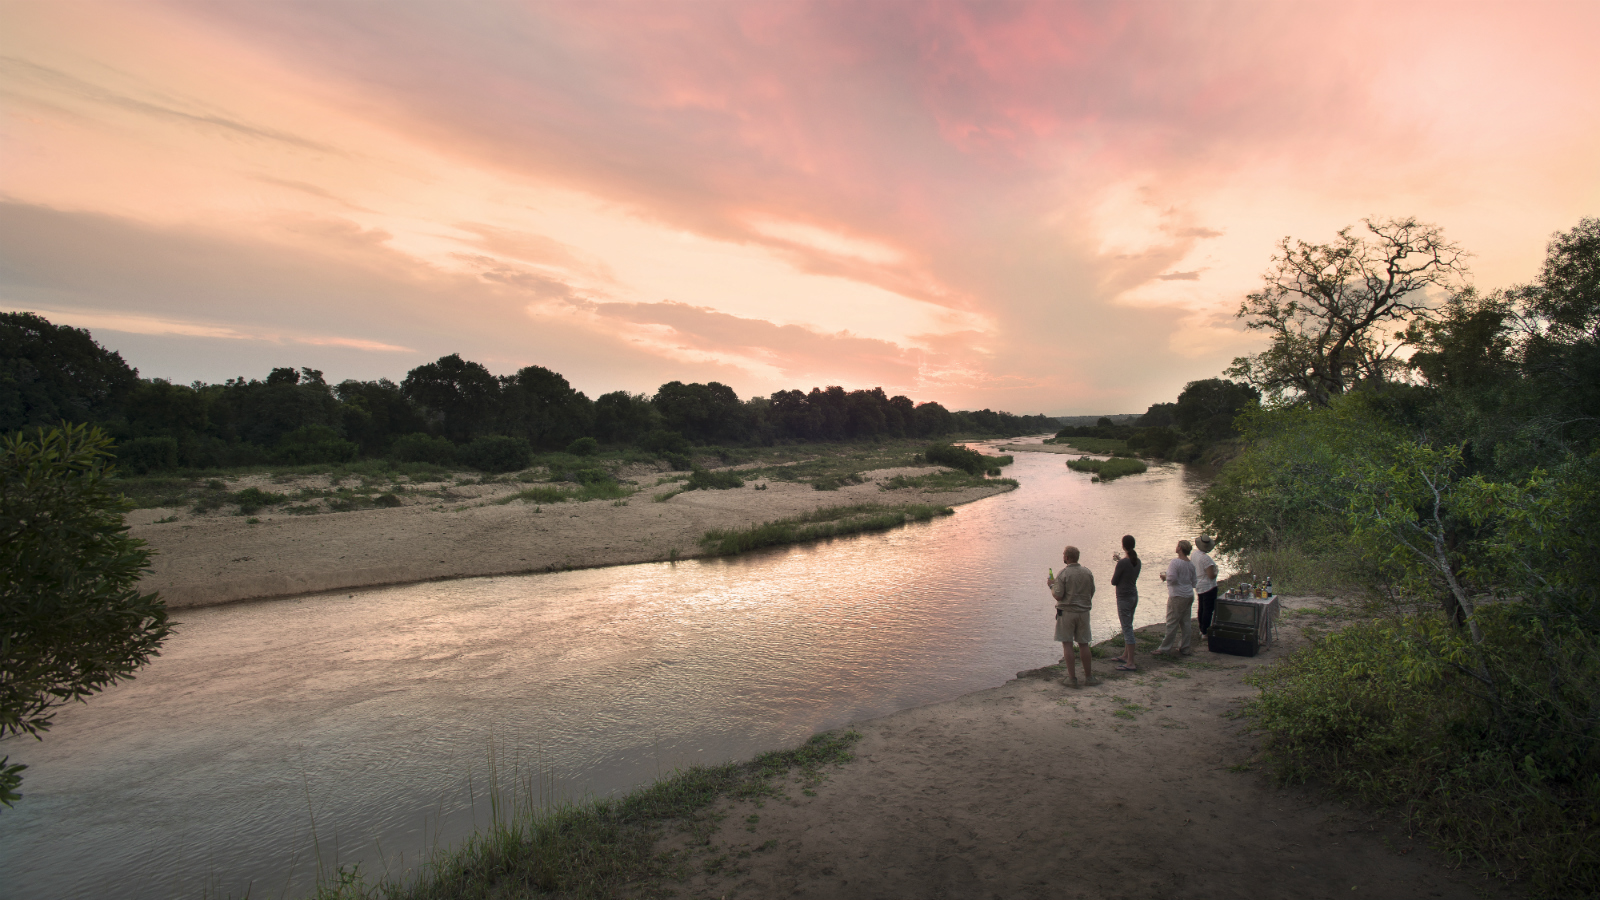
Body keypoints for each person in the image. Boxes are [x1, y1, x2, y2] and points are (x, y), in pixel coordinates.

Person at [1045, 545, 1096, 687]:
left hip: (1067, 614)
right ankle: (1089, 677)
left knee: (1067, 644)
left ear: (1067, 557)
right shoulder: (1087, 573)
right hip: (1084, 613)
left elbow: (1058, 595)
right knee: (1084, 644)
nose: (1063, 557)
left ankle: (1072, 678)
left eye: (1063, 555)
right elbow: (1092, 591)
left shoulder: (1063, 574)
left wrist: (1051, 585)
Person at [1154, 539, 1197, 656]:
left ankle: (1165, 648)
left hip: (1177, 596)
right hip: (1189, 595)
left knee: (1172, 622)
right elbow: (1194, 583)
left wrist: (1165, 577)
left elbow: (1172, 579)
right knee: (1186, 622)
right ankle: (1185, 647)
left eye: (1177, 545)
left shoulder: (1175, 563)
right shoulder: (1191, 564)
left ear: (1180, 548)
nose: (1176, 547)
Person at [1109, 535, 1141, 671]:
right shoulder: (1137, 561)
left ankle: (1131, 663)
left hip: (1124, 598)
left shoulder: (1122, 563)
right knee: (1129, 625)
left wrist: (1118, 563)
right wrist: (1119, 562)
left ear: (1123, 546)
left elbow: (1114, 581)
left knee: (1127, 629)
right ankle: (1125, 655)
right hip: (1134, 596)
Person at [1192, 535, 1219, 636]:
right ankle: (1205, 631)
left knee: (1201, 608)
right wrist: (1216, 571)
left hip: (1199, 584)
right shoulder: (1206, 559)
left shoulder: (1194, 555)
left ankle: (1201, 628)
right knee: (1208, 609)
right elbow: (1211, 575)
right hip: (1208, 586)